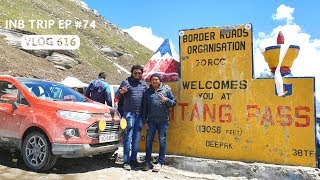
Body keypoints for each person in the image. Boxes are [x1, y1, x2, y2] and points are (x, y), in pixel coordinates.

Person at [115, 65, 148, 170]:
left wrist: (164, 88)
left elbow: (151, 93)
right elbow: (116, 96)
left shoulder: (143, 84)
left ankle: (133, 160)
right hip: (129, 114)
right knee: (128, 137)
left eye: (139, 73)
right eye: (135, 73)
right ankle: (126, 161)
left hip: (140, 115)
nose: (137, 75)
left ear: (142, 74)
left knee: (136, 138)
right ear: (132, 73)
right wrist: (121, 92)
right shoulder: (126, 83)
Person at [142, 73, 176, 172]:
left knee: (162, 141)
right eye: (153, 80)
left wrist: (166, 100)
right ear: (150, 81)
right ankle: (147, 162)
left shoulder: (166, 90)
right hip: (151, 121)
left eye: (156, 79)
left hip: (163, 121)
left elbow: (174, 103)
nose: (154, 81)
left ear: (160, 80)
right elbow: (144, 108)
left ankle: (160, 162)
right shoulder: (147, 92)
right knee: (148, 141)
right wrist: (145, 121)